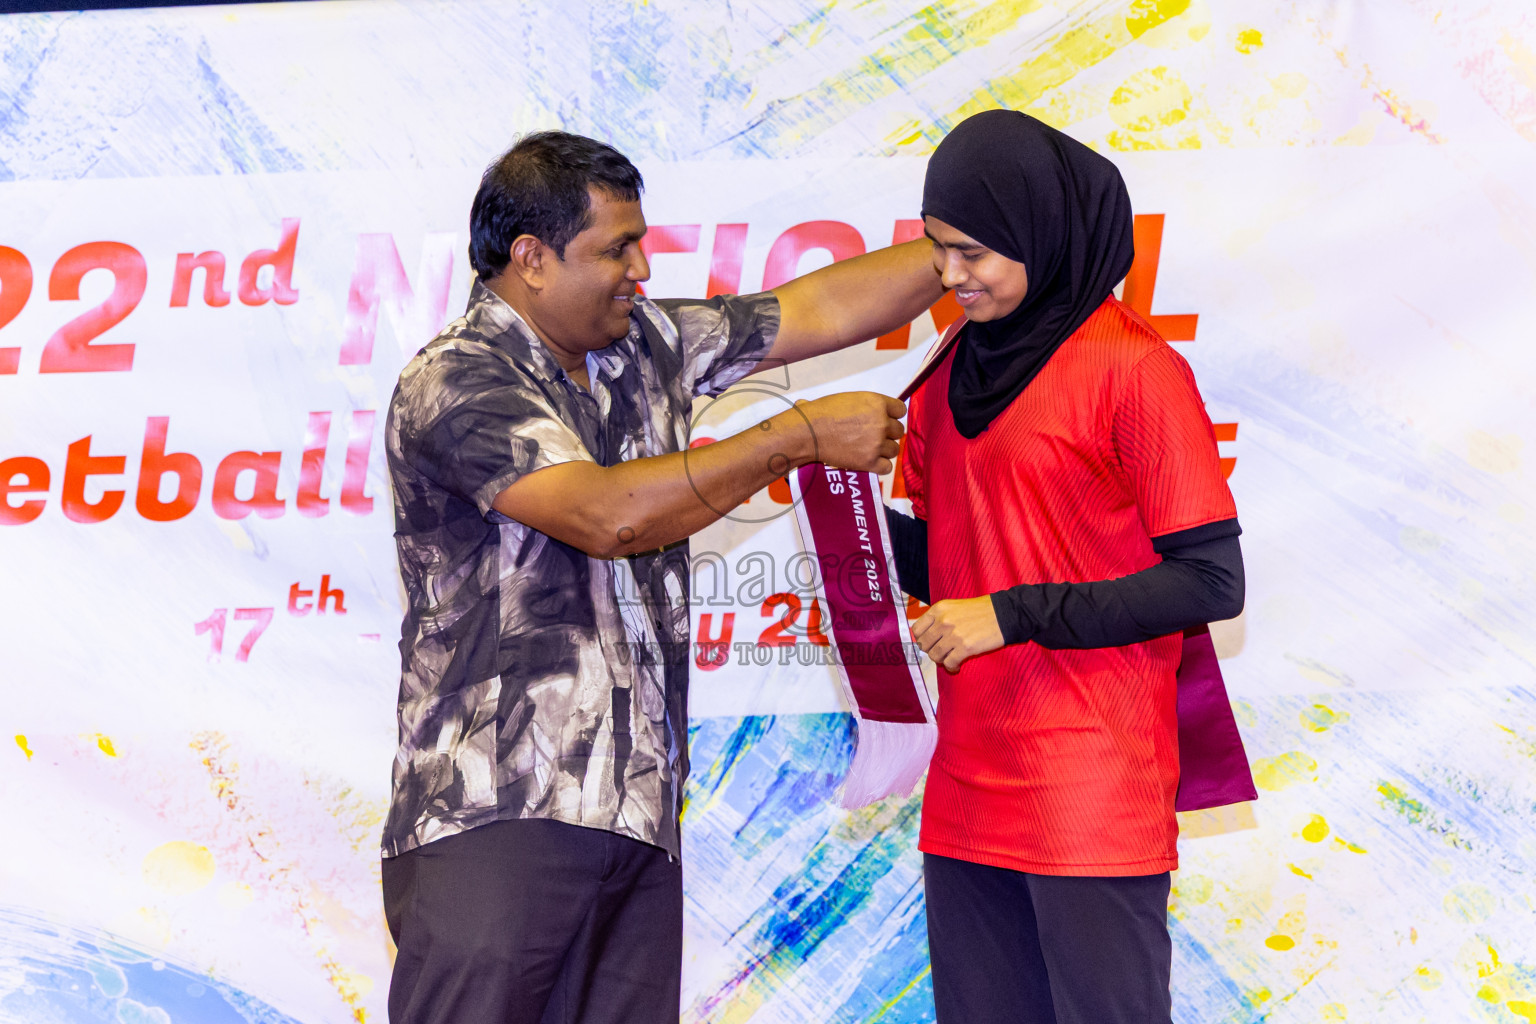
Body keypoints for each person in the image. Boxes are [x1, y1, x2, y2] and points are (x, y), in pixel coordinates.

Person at [380, 130, 942, 1024]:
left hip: (639, 821)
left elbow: (819, 308)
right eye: (617, 249)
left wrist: (968, 246)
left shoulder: (645, 345)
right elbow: (609, 517)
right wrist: (793, 437)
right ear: (531, 259)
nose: (641, 269)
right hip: (496, 819)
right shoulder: (455, 378)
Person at [883, 109, 1244, 1024]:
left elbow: (1211, 581)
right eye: (937, 248)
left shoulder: (1134, 369)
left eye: (972, 252)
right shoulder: (945, 372)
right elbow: (955, 561)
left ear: (1041, 233)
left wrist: (1011, 613)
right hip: (965, 784)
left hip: (1090, 784)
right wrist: (833, 511)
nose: (949, 276)